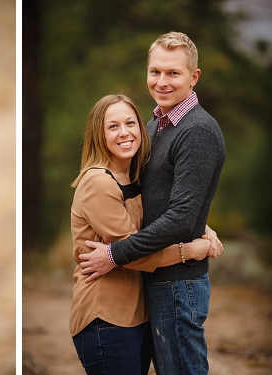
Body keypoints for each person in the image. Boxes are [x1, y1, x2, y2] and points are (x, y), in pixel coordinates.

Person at [79, 32, 227, 374]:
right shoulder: (154, 125)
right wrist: (202, 224)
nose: (161, 82)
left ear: (194, 77)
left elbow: (178, 218)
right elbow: (157, 197)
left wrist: (114, 254)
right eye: (155, 72)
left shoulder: (197, 131)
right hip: (155, 276)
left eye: (173, 73)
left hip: (178, 283)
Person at [69, 94, 212, 375]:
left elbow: (159, 218)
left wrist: (204, 228)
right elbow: (132, 253)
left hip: (135, 316)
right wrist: (191, 250)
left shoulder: (133, 176)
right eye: (113, 126)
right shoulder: (99, 182)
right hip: (106, 316)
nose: (124, 133)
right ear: (99, 135)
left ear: (141, 128)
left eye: (130, 123)